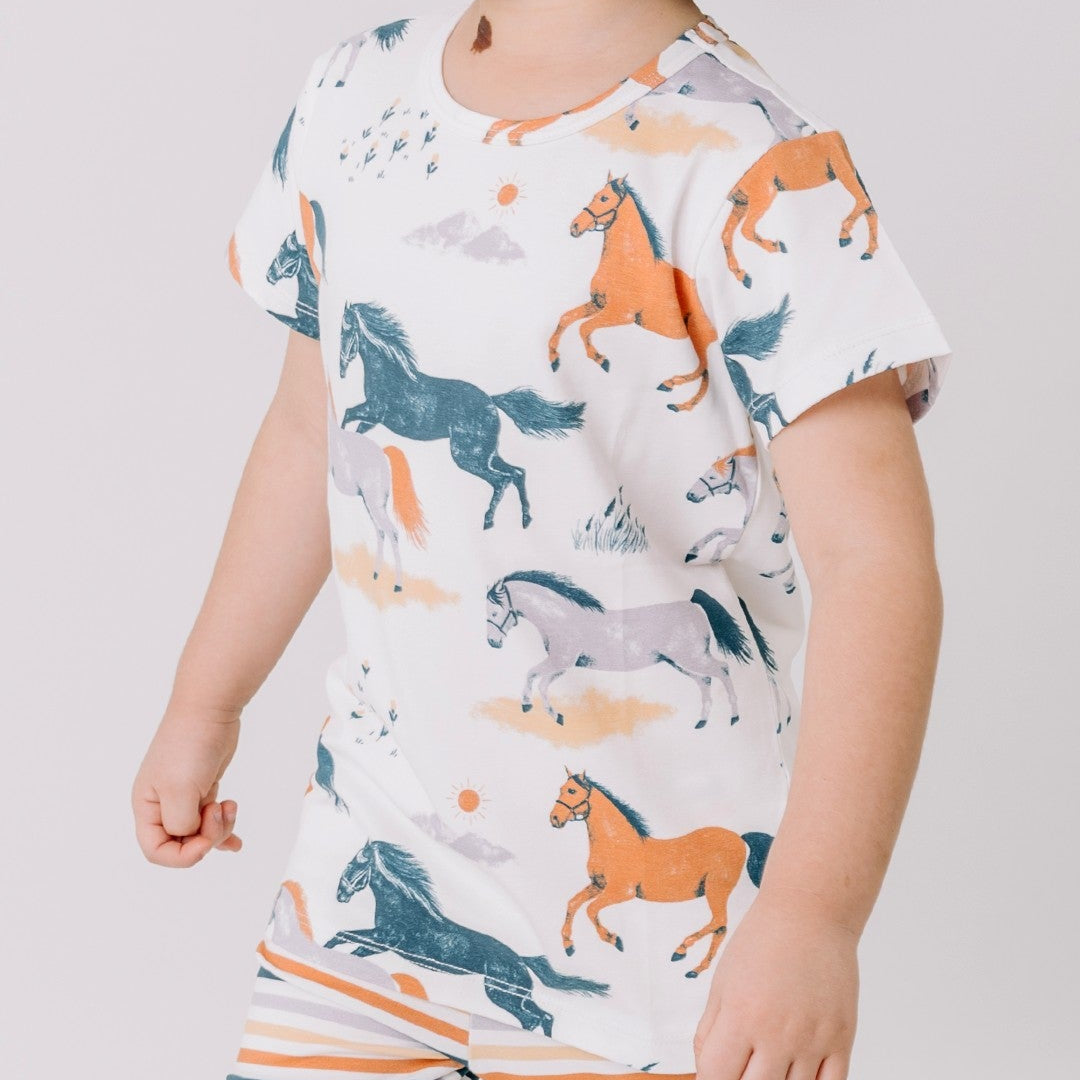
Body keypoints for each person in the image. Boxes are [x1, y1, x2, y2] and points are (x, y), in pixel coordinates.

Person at [131, 3, 953, 1079]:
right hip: (362, 893)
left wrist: (812, 916)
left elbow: (876, 564)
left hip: (655, 987)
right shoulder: (354, 92)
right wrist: (205, 701)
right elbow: (307, 432)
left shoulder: (750, 157)